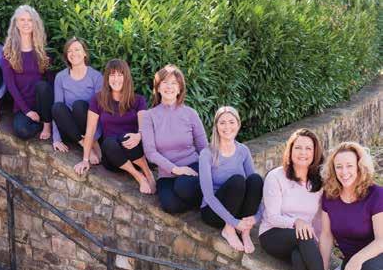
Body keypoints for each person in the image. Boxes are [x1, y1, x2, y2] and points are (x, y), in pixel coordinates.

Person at [259, 129, 351, 270]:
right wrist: (296, 222)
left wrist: (317, 253)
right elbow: (271, 216)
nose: (303, 152)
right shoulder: (276, 177)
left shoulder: (319, 183)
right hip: (273, 234)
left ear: (315, 153)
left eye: (308, 148)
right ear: (290, 151)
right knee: (305, 235)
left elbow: (319, 223)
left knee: (300, 257)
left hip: (303, 238)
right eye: (298, 147)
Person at [316, 142, 383, 270]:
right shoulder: (329, 196)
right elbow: (326, 235)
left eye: (349, 166)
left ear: (359, 167)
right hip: (353, 262)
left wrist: (357, 260)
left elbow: (381, 240)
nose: (344, 172)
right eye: (339, 167)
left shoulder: (376, 194)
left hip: (376, 258)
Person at [73, 59, 155, 194]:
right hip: (113, 157)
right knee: (109, 142)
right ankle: (139, 176)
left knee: (125, 137)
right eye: (112, 75)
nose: (116, 79)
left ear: (126, 77)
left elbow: (144, 127)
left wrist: (139, 136)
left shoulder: (138, 100)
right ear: (107, 78)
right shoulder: (98, 99)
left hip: (134, 151)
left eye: (120, 75)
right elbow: (90, 130)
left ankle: (147, 172)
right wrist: (85, 160)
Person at [141, 65, 207, 213]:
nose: (169, 86)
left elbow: (204, 148)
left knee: (183, 186)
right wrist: (175, 169)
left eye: (174, 83)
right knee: (170, 205)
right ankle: (204, 199)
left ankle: (210, 198)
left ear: (179, 89)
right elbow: (150, 153)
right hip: (167, 173)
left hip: (193, 167)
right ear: (158, 88)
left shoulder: (190, 113)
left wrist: (210, 171)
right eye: (165, 82)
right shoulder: (148, 116)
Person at [199, 106, 263, 253]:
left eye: (231, 122)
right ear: (216, 126)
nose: (227, 127)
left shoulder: (243, 150)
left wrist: (256, 216)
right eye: (222, 123)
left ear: (238, 124)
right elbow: (208, 196)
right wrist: (233, 222)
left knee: (255, 179)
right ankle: (228, 230)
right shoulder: (207, 154)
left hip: (237, 211)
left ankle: (245, 231)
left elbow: (254, 188)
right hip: (213, 213)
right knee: (238, 181)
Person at [1, 5, 54, 140]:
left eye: (30, 20)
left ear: (35, 23)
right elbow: (10, 85)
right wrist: (27, 111)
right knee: (22, 131)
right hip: (22, 104)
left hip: (42, 102)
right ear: (16, 23)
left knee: (42, 86)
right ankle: (39, 123)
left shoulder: (43, 50)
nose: (26, 23)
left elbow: (50, 82)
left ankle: (47, 124)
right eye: (22, 20)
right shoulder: (8, 52)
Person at [51, 37, 102, 164]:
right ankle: (85, 145)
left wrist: (95, 137)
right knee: (57, 107)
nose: (73, 53)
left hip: (89, 126)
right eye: (69, 51)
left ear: (85, 53)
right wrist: (56, 139)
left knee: (79, 105)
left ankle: (92, 142)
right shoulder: (61, 77)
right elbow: (57, 110)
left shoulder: (96, 77)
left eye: (77, 49)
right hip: (70, 128)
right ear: (66, 55)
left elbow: (101, 110)